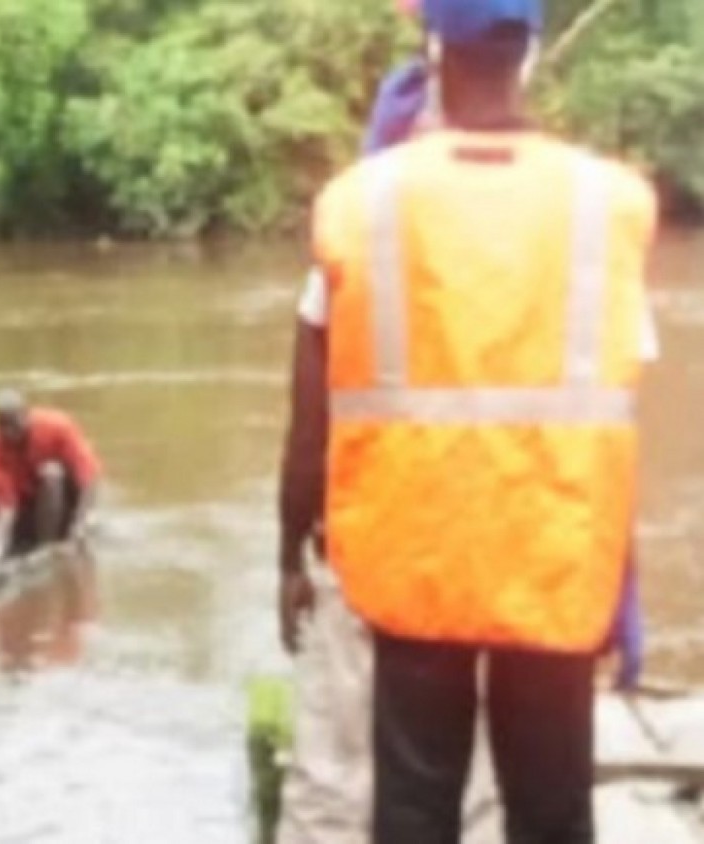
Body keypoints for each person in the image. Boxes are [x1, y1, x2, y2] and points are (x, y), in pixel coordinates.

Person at [278, 0, 659, 841]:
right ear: (529, 50)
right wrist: (622, 578)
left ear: (434, 49)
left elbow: (312, 415)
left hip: (413, 562)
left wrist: (288, 553)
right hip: (555, 558)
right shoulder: (607, 206)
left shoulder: (363, 200)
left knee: (414, 805)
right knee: (553, 810)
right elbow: (616, 412)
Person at [0, 389, 101, 566]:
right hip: (28, 503)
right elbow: (7, 506)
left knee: (52, 474)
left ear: (26, 415)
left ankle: (45, 547)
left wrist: (81, 523)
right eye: (3, 426)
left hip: (63, 500)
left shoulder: (58, 426)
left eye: (14, 424)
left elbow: (88, 477)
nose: (10, 433)